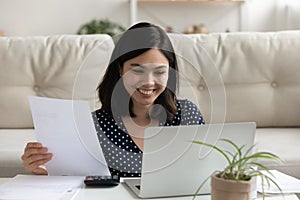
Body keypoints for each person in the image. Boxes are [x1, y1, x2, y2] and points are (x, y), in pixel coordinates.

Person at [21, 22, 205, 177]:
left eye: (159, 72)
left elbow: (206, 170)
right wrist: (43, 169)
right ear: (120, 69)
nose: (149, 82)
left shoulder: (188, 115)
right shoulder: (93, 126)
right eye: (137, 70)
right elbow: (76, 181)